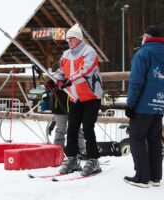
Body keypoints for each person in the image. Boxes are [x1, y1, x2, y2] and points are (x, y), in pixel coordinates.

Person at [124, 25, 164, 188]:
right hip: (158, 106)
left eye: (143, 36)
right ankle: (155, 177)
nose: (141, 39)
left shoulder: (142, 54)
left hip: (142, 106)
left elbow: (136, 82)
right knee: (154, 140)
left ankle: (142, 177)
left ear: (147, 37)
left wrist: (130, 104)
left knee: (136, 138)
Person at [53, 24, 103, 176]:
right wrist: (55, 80)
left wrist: (69, 81)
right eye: (67, 39)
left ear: (79, 38)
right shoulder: (66, 55)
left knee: (88, 127)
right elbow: (61, 72)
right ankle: (72, 158)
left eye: (72, 38)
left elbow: (86, 70)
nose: (69, 41)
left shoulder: (89, 52)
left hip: (91, 96)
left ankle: (93, 159)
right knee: (72, 128)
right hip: (75, 97)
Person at [44, 80, 86, 156]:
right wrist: (46, 93)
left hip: (74, 107)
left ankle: (82, 150)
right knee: (60, 130)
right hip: (59, 108)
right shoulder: (56, 77)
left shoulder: (74, 75)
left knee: (77, 129)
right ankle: (58, 152)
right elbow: (48, 88)